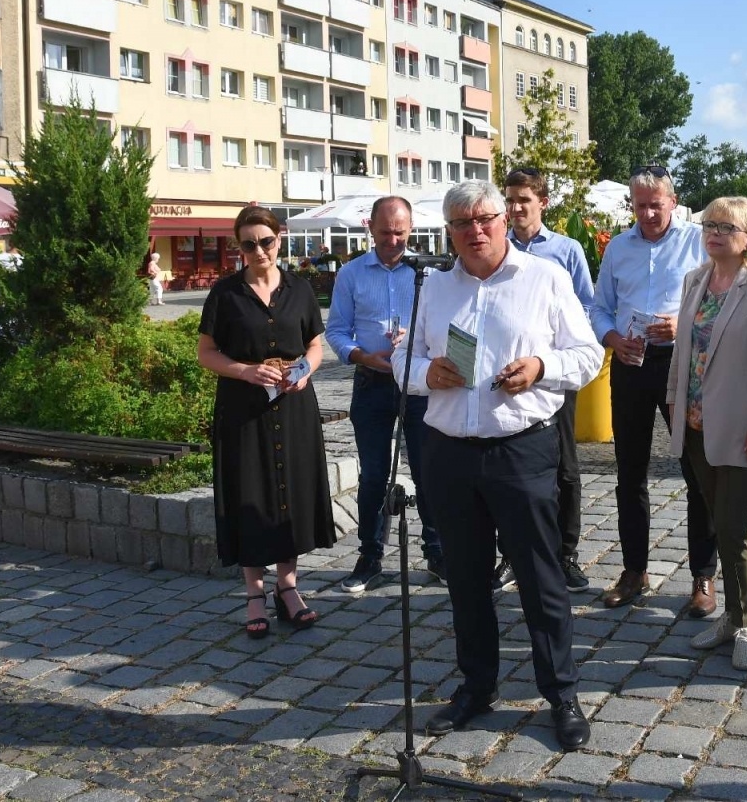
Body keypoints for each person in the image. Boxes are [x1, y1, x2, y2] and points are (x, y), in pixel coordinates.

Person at [396, 180, 602, 752]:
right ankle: (476, 687)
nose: (474, 230)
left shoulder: (545, 278)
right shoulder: (433, 289)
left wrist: (540, 365)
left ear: (503, 220)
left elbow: (587, 355)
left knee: (541, 579)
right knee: (465, 579)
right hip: (449, 453)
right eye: (461, 223)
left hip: (521, 449)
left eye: (483, 218)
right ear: (450, 232)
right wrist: (423, 375)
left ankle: (561, 694)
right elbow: (402, 356)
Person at [197, 206, 334, 639]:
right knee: (250, 493)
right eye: (248, 244)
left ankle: (288, 587)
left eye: (266, 241)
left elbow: (315, 344)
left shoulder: (300, 290)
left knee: (290, 492)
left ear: (280, 238)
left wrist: (306, 370)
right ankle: (255, 593)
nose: (259, 250)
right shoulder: (225, 293)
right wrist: (246, 371)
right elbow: (206, 353)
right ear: (239, 247)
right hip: (244, 409)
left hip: (294, 407)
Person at [666, 196, 747, 669]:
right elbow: (682, 351)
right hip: (696, 424)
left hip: (742, 426)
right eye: (709, 224)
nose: (714, 232)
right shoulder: (694, 280)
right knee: (718, 521)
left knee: (734, 526)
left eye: (727, 226)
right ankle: (732, 619)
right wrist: (674, 400)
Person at [590, 165, 717, 615]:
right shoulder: (619, 247)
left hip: (681, 363)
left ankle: (703, 574)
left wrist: (683, 323)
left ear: (673, 200)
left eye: (655, 204)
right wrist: (611, 338)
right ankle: (634, 569)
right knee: (629, 471)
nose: (647, 213)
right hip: (630, 361)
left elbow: (719, 297)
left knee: (696, 469)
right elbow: (599, 306)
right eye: (639, 204)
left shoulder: (695, 241)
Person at [325, 196, 442, 592]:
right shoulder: (352, 273)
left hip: (419, 381)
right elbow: (336, 330)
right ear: (369, 228)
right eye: (385, 231)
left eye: (400, 232)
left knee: (430, 470)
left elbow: (446, 325)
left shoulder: (430, 273)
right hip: (372, 381)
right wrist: (361, 355)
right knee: (373, 473)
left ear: (411, 229)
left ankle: (437, 552)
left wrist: (417, 338)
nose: (393, 240)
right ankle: (370, 555)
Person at [500, 166, 596, 593]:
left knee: (565, 467)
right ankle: (510, 555)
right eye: (510, 199)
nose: (516, 207)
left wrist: (552, 360)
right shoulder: (495, 247)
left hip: (554, 374)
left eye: (524, 199)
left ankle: (566, 553)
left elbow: (587, 311)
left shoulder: (567, 249)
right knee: (506, 468)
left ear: (543, 202)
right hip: (507, 376)